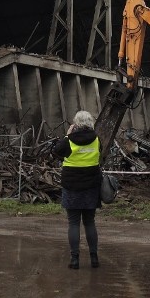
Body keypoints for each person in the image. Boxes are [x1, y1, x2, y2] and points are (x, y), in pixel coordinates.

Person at [52, 110, 102, 269]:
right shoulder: (96, 139)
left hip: (72, 186)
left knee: (73, 223)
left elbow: (56, 151)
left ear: (75, 124)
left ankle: (75, 260)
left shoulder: (69, 141)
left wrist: (67, 135)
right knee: (89, 222)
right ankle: (94, 258)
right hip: (91, 186)